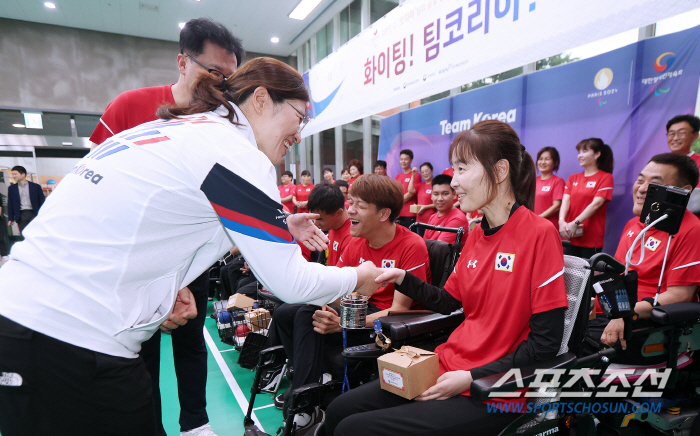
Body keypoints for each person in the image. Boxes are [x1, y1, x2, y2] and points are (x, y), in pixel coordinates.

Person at [0, 56, 381, 436]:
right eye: (300, 117)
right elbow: (291, 282)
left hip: (27, 322)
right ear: (262, 99)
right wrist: (358, 277)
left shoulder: (175, 131)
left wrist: (164, 285)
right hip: (70, 342)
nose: (300, 134)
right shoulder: (234, 153)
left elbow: (148, 218)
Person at [325, 120, 568, 436]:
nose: (454, 182)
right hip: (448, 363)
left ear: (500, 171)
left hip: (494, 389)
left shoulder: (540, 234)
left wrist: (471, 376)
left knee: (354, 430)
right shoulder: (476, 234)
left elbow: (544, 346)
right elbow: (449, 301)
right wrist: (402, 278)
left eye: (462, 169)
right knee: (338, 410)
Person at [89, 18, 243, 436]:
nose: (220, 86)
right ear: (182, 62)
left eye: (228, 79)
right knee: (142, 348)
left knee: (191, 340)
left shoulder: (222, 126)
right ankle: (149, 425)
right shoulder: (129, 106)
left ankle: (196, 423)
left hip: (191, 256)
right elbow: (94, 183)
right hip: (134, 260)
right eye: (211, 72)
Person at [269, 174, 430, 433]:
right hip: (357, 307)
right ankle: (310, 378)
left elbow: (399, 311)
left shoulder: (412, 246)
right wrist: (322, 304)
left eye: (359, 205)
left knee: (304, 317)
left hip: (386, 324)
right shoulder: (355, 242)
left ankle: (306, 401)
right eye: (350, 202)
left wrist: (343, 321)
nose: (350, 210)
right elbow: (338, 290)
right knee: (287, 311)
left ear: (383, 213)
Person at [589, 153, 700, 363]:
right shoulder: (634, 225)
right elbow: (618, 277)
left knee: (577, 343)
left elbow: (679, 296)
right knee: (556, 327)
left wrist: (625, 314)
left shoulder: (692, 231)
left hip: (655, 325)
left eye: (654, 185)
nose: (641, 188)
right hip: (621, 314)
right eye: (640, 180)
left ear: (683, 192)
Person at [559, 138, 614, 259]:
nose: (580, 155)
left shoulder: (606, 178)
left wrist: (576, 222)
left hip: (591, 239)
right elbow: (566, 201)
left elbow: (596, 204)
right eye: (579, 152)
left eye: (584, 151)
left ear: (597, 154)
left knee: (587, 276)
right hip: (571, 235)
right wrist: (561, 221)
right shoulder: (573, 178)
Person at [423, 174, 467, 244]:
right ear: (431, 195)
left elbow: (439, 249)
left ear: (454, 195)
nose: (440, 199)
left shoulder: (457, 219)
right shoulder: (432, 217)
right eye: (436, 194)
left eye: (445, 194)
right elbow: (424, 244)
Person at [7, 166, 45, 235]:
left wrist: (43, 214)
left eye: (15, 174)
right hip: (21, 214)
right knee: (24, 234)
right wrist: (11, 218)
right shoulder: (12, 188)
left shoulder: (36, 187)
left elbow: (42, 201)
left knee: (36, 233)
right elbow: (10, 204)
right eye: (12, 174)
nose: (13, 176)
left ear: (23, 174)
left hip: (34, 213)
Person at [535, 147, 565, 229]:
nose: (543, 162)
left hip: (548, 226)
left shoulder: (558, 181)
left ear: (555, 163)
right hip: (532, 224)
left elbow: (557, 206)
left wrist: (539, 217)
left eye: (547, 159)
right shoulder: (533, 180)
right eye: (540, 159)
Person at [394, 149, 420, 229]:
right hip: (398, 213)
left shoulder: (415, 175)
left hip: (409, 214)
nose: (403, 161)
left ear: (411, 160)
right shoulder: (398, 176)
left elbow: (411, 193)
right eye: (401, 159)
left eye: (406, 159)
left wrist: (397, 202)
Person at [409, 162, 437, 234]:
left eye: (427, 171)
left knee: (429, 243)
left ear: (432, 170)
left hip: (430, 221)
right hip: (419, 221)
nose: (425, 173)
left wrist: (425, 207)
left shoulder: (435, 186)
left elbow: (437, 203)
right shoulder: (421, 185)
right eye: (422, 172)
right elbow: (410, 190)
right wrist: (412, 176)